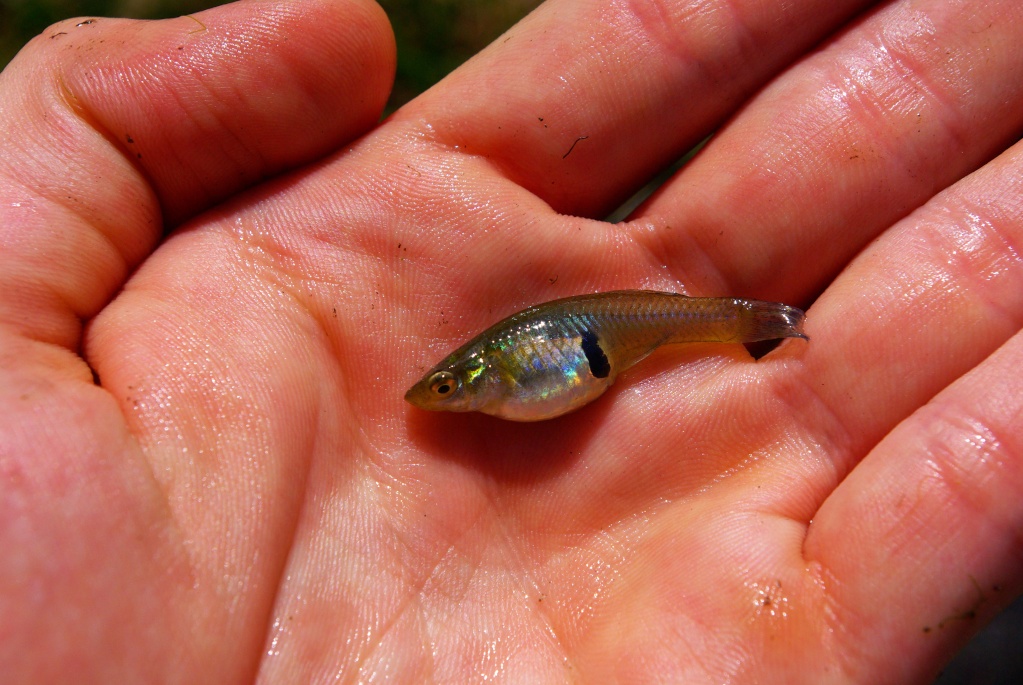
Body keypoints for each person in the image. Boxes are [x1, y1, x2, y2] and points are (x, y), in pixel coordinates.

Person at [1, 0, 1020, 681]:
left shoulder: (514, 370)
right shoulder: (493, 385)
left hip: (601, 346)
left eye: (450, 382)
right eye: (450, 383)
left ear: (477, 375)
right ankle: (758, 330)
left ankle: (759, 329)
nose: (442, 396)